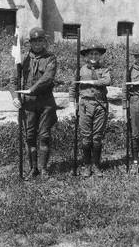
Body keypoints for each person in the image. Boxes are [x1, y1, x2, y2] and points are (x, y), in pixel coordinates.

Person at [9, 27, 58, 179]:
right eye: (34, 41)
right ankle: (33, 169)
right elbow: (14, 80)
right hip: (28, 104)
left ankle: (43, 169)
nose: (37, 43)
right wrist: (15, 97)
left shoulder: (51, 58)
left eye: (40, 40)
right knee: (29, 136)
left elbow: (47, 78)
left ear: (45, 41)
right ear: (30, 42)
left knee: (44, 136)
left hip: (45, 101)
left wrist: (32, 89)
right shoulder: (22, 58)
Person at [69, 43, 111, 178]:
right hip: (85, 105)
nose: (94, 56)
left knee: (97, 137)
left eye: (96, 54)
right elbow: (73, 88)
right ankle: (87, 165)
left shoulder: (104, 69)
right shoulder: (80, 70)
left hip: (100, 105)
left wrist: (91, 82)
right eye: (91, 54)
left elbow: (107, 81)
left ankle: (96, 165)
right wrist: (72, 104)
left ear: (99, 56)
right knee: (86, 138)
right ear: (86, 56)